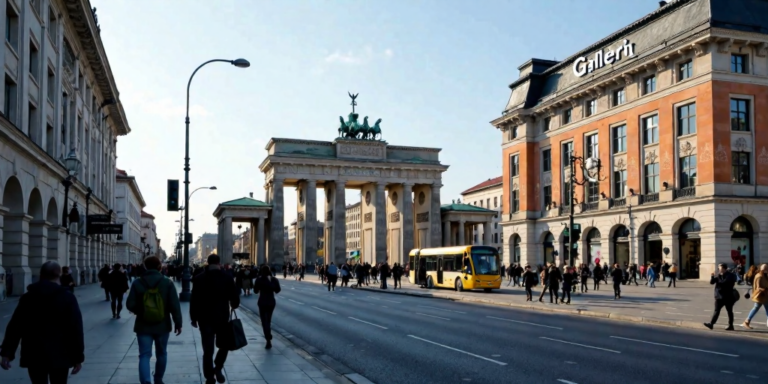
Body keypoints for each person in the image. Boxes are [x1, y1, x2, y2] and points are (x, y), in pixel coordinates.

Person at [0, 261, 84, 384]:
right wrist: (78, 358)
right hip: (61, 353)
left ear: (41, 274)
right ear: (59, 275)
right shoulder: (67, 297)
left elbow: (15, 327)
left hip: (34, 354)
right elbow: (76, 329)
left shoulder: (28, 297)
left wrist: (7, 353)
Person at [126, 256, 183, 384]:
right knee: (162, 353)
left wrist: (142, 311)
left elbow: (130, 304)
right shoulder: (167, 283)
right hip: (162, 324)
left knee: (144, 355)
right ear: (159, 266)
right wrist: (178, 323)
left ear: (145, 266)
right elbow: (175, 305)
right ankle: (158, 379)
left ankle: (146, 381)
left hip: (143, 324)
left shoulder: (137, 283)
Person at [190, 254, 241, 384]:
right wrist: (234, 304)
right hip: (222, 317)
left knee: (208, 350)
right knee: (224, 345)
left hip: (204, 318)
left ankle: (209, 377)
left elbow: (194, 300)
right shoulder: (227, 277)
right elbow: (235, 297)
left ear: (207, 263)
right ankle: (218, 367)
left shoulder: (198, 278)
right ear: (219, 263)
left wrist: (193, 318)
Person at [253, 265, 281, 349]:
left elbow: (255, 291)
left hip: (262, 301)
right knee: (268, 320)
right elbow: (278, 290)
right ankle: (268, 335)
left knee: (263, 321)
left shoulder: (259, 279)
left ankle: (268, 339)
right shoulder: (274, 279)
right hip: (271, 302)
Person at [704, 263, 738, 331]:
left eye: (719, 268)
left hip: (728, 297)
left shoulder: (730, 275)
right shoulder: (719, 275)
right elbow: (712, 282)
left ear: (724, 268)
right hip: (719, 297)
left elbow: (724, 283)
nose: (718, 269)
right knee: (716, 310)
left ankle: (731, 325)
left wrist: (718, 280)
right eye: (718, 268)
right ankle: (711, 324)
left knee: (729, 311)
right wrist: (712, 276)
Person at [741, 264, 768, 329]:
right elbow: (758, 287)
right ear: (763, 269)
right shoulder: (759, 276)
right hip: (760, 295)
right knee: (757, 307)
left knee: (758, 308)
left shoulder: (764, 275)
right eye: (766, 269)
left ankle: (747, 321)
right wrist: (765, 289)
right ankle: (746, 321)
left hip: (763, 296)